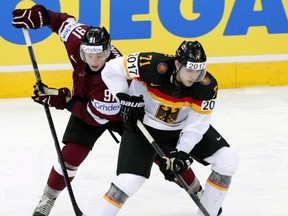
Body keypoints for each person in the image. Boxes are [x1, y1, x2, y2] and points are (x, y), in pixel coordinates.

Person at [12, 5, 203, 216]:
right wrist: (42, 16)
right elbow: (61, 21)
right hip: (88, 102)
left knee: (162, 154)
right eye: (89, 55)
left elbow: (95, 117)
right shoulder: (77, 39)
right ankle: (48, 198)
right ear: (82, 49)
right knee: (70, 155)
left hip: (125, 109)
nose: (94, 61)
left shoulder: (114, 74)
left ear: (108, 51)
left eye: (100, 55)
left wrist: (62, 100)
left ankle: (198, 193)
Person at [95, 41, 239, 216]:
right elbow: (110, 69)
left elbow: (197, 124)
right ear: (178, 64)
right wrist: (124, 97)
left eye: (199, 71)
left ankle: (208, 212)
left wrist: (181, 153)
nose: (194, 76)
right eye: (190, 70)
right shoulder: (150, 64)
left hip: (180, 128)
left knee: (228, 160)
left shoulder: (207, 86)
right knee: (128, 182)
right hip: (144, 126)